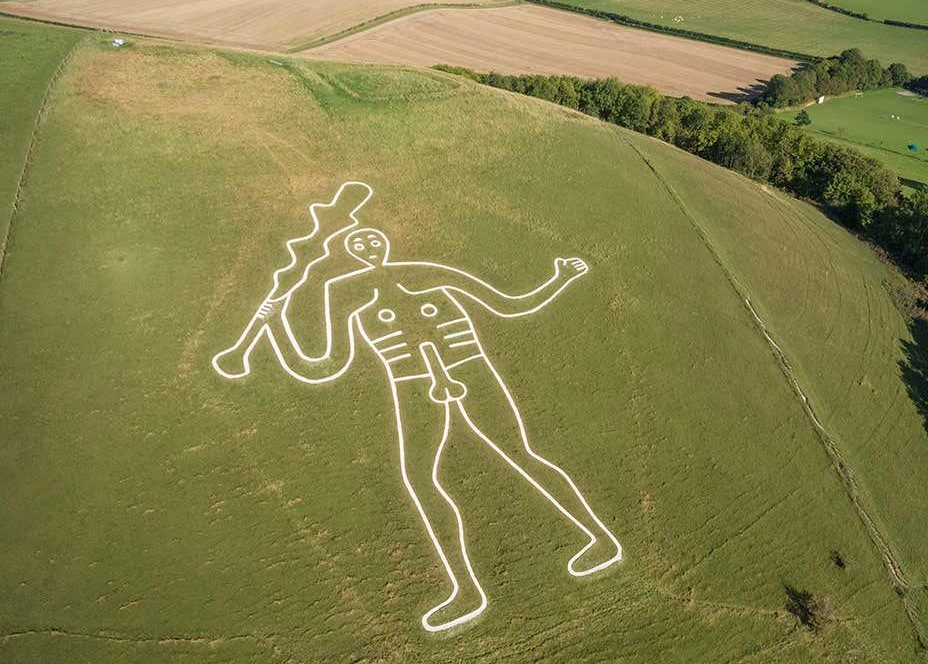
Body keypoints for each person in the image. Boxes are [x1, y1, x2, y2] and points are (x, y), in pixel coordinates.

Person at [214, 227, 622, 632]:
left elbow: (507, 305)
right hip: (411, 385)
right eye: (358, 244)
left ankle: (598, 540)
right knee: (422, 479)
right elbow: (324, 364)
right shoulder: (343, 291)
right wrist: (277, 327)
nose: (369, 247)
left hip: (469, 369)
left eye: (373, 239)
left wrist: (561, 277)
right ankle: (465, 591)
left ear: (386, 242)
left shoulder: (424, 271)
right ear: (347, 252)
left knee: (520, 454)